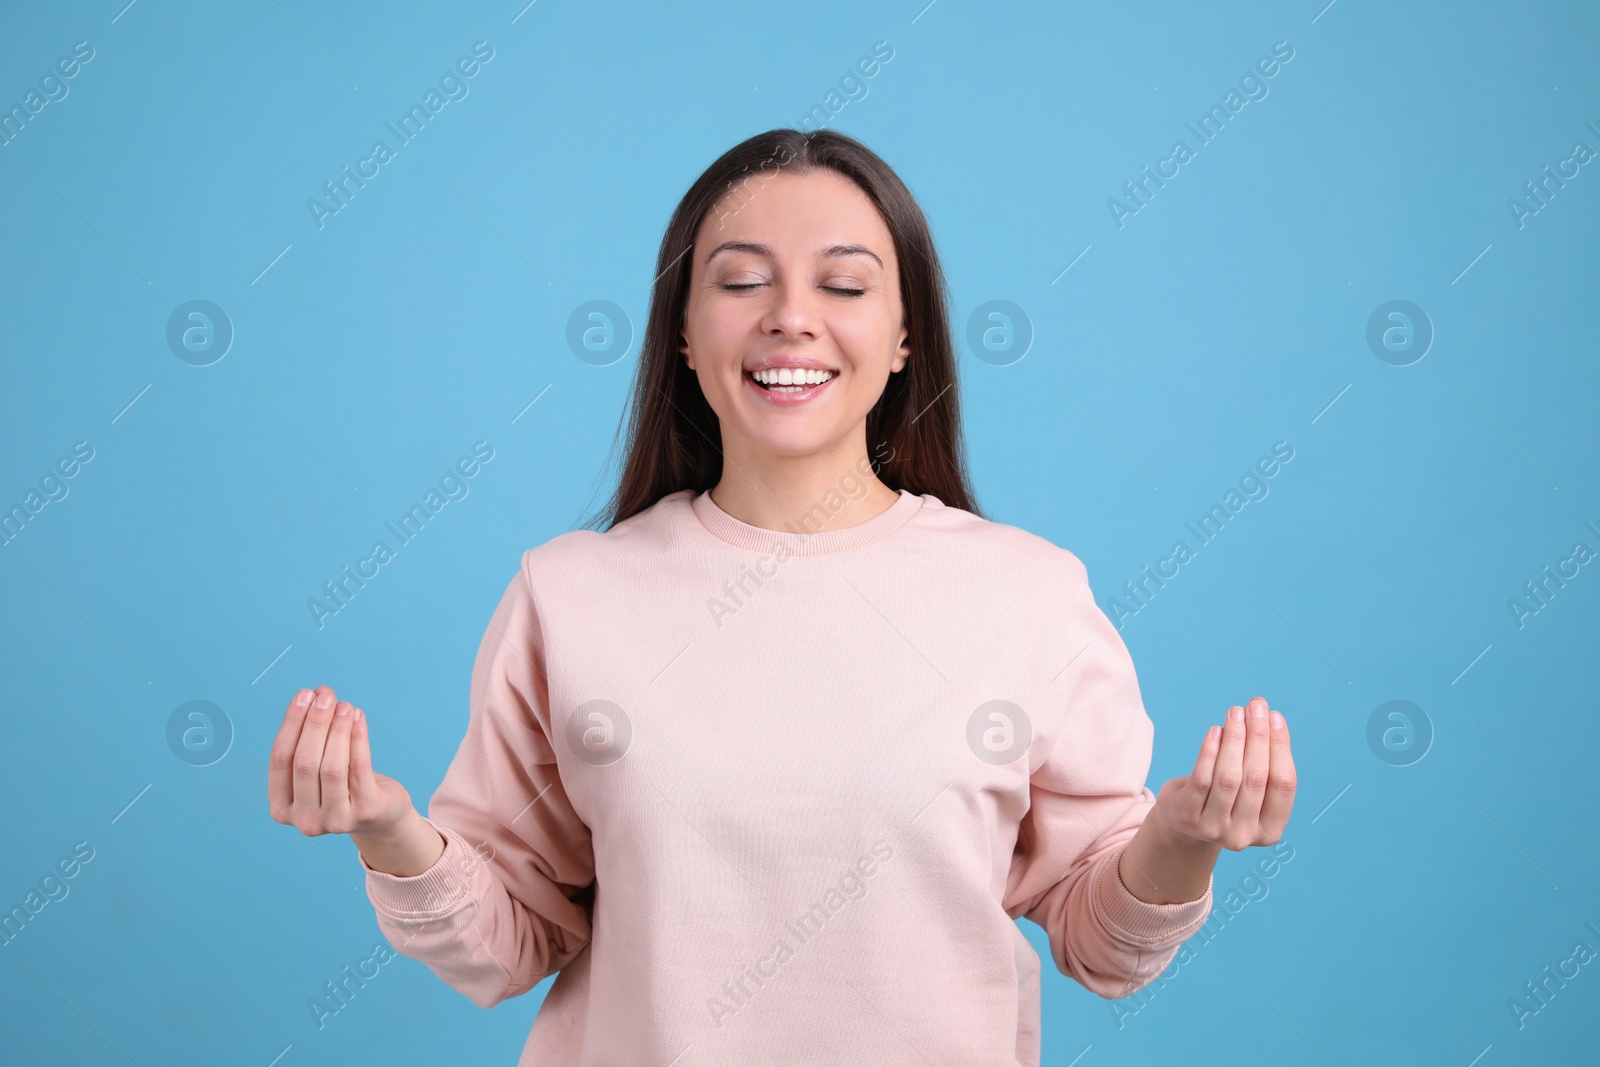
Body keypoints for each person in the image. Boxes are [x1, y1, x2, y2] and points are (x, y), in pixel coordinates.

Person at [266, 127, 1296, 1065]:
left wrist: (1183, 836)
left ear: (904, 339)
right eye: (742, 280)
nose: (790, 318)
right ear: (680, 333)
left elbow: (1100, 940)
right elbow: (506, 940)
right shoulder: (567, 594)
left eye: (844, 286)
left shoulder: (1029, 594)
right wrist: (387, 827)